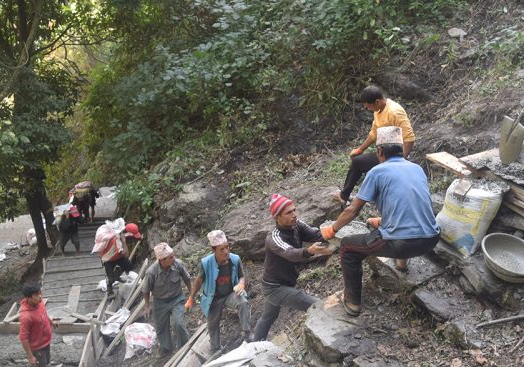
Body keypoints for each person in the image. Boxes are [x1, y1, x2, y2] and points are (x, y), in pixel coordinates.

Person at [321, 126, 440, 317]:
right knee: (401, 230)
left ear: (380, 151)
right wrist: (384, 220)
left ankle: (352, 303)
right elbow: (409, 205)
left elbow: (352, 210)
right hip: (432, 238)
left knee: (347, 248)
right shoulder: (417, 169)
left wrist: (332, 229)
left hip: (401, 243)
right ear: (401, 150)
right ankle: (401, 265)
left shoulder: (377, 171)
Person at [253, 194, 334, 341]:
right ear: (277, 217)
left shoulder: (296, 225)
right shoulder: (274, 237)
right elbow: (290, 253)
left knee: (268, 317)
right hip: (274, 288)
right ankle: (329, 337)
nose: (294, 215)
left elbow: (315, 234)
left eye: (294, 210)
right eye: (289, 212)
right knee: (316, 305)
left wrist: (335, 232)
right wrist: (309, 251)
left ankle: (254, 344)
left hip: (282, 284)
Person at [331, 85, 416, 205]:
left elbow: (410, 138)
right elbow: (374, 133)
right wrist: (360, 149)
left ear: (377, 101)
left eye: (368, 106)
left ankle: (349, 197)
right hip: (383, 152)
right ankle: (344, 195)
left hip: (394, 156)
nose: (368, 109)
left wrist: (402, 160)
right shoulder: (378, 110)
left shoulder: (394, 112)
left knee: (359, 164)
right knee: (357, 160)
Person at [186, 230, 253, 352]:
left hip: (230, 294)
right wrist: (191, 298)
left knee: (242, 302)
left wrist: (241, 283)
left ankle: (247, 333)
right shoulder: (206, 263)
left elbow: (241, 276)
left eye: (227, 247)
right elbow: (199, 281)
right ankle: (215, 349)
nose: (226, 251)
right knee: (212, 324)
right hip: (213, 298)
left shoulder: (235, 259)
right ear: (213, 250)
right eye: (221, 249)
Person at [143, 242, 192, 356]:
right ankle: (166, 349)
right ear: (162, 260)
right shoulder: (151, 272)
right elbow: (146, 291)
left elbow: (187, 279)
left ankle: (184, 348)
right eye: (171, 257)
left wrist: (191, 295)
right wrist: (147, 306)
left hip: (177, 299)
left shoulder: (178, 264)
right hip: (160, 302)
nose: (174, 259)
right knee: (161, 328)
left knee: (178, 323)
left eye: (173, 256)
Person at [19, 283, 56, 367]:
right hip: (36, 346)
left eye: (40, 293)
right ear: (29, 298)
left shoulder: (39, 303)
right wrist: (30, 356)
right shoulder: (26, 317)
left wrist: (51, 322)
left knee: (46, 361)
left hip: (45, 341)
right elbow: (23, 337)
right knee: (39, 365)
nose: (40, 297)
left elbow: (44, 314)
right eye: (36, 295)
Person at [98, 223, 142, 295]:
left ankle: (117, 276)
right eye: (132, 235)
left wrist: (139, 238)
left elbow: (124, 254)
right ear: (128, 233)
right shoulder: (116, 239)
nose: (133, 238)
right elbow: (125, 253)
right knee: (110, 278)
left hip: (117, 255)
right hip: (108, 259)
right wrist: (124, 241)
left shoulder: (121, 234)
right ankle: (110, 292)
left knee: (128, 266)